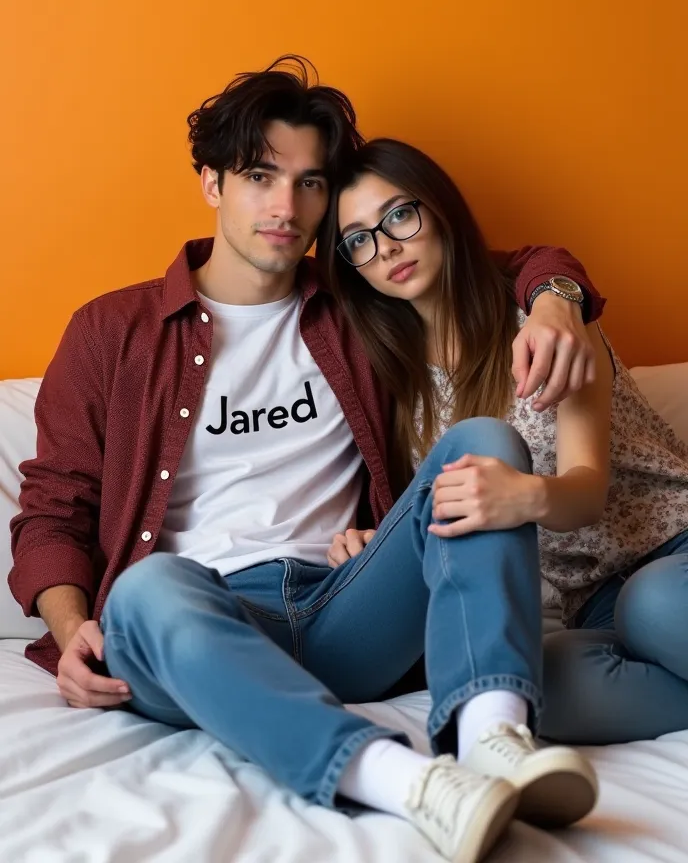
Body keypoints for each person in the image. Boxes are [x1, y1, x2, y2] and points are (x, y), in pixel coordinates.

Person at [10, 58, 602, 863]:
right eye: (260, 175)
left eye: (311, 183)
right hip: (192, 629)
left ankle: (496, 741)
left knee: (483, 448)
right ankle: (406, 783)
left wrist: (555, 298)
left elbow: (505, 263)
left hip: (344, 607)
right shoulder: (114, 332)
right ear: (213, 183)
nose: (286, 207)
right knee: (146, 587)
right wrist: (74, 627)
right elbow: (52, 505)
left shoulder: (357, 308)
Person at [319, 136, 688, 747]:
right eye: (359, 240)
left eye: (399, 216)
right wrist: (375, 541)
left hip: (671, 556)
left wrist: (522, 496)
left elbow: (585, 495)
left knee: (654, 605)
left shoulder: (546, 328)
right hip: (593, 608)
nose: (385, 248)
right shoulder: (393, 385)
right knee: (529, 693)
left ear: (439, 209)